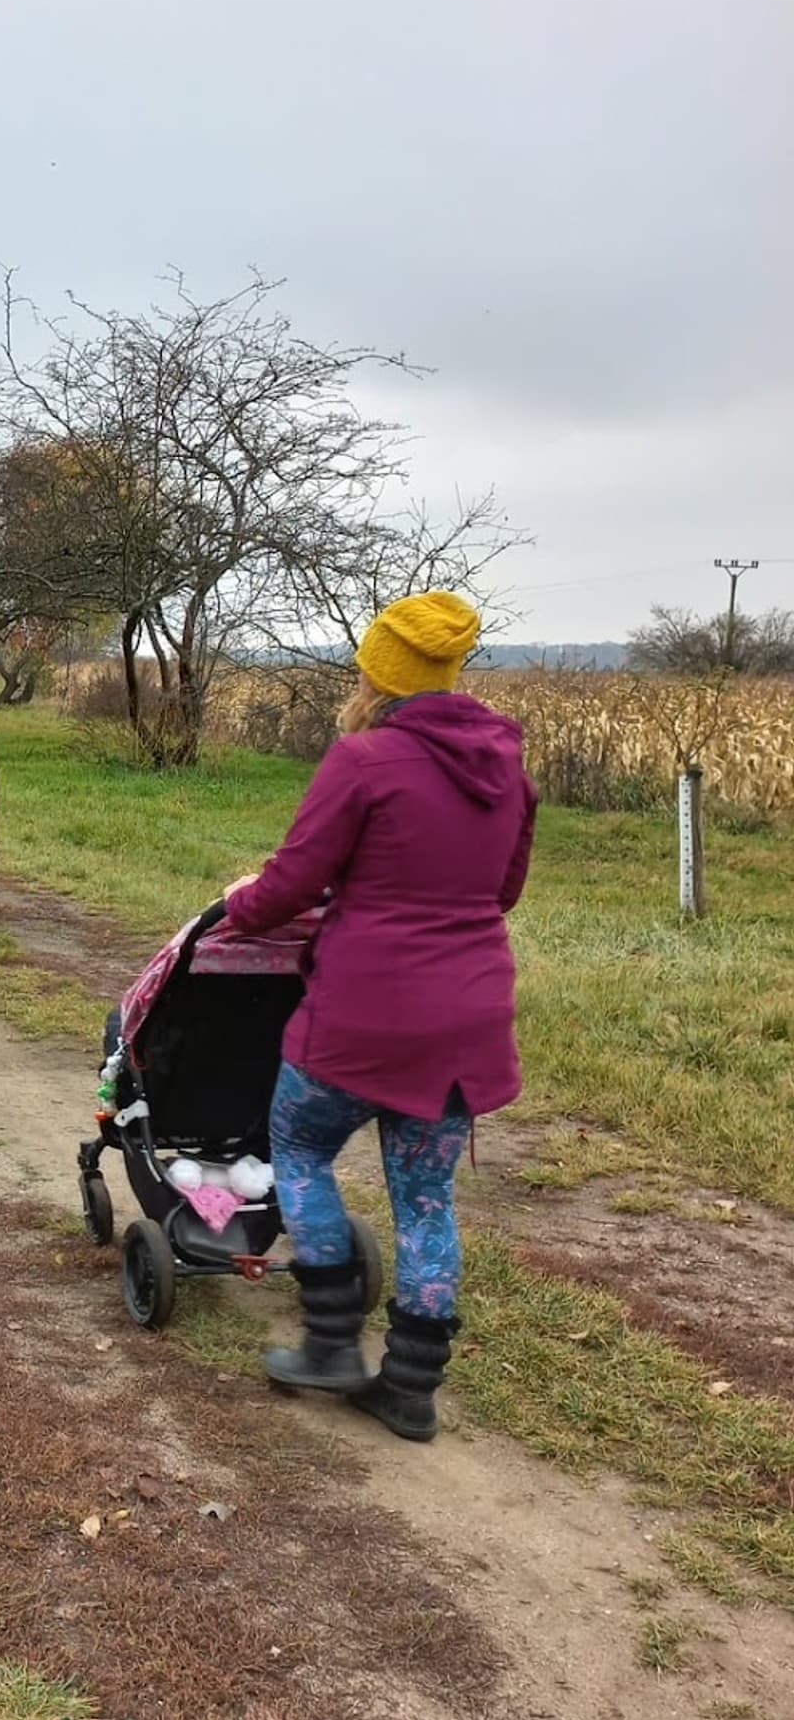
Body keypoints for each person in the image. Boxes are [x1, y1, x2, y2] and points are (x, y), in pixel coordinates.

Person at [220, 592, 536, 1442]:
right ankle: (410, 1386)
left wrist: (238, 904)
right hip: (465, 1027)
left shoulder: (364, 759)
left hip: (361, 1020)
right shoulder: (506, 764)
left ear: (379, 669)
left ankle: (329, 1342)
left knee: (301, 1145)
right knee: (426, 1197)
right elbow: (502, 890)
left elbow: (289, 884)